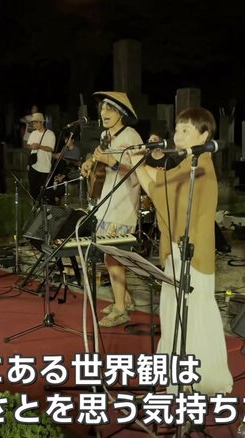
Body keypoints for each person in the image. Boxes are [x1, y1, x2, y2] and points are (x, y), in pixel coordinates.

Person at [128, 107, 233, 396]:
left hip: (192, 256)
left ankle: (197, 378)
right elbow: (161, 183)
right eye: (177, 129)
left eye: (186, 130)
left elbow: (159, 191)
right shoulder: (189, 163)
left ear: (204, 135)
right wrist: (140, 161)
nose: (178, 135)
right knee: (175, 312)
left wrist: (139, 163)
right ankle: (179, 377)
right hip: (179, 252)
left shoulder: (199, 167)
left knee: (192, 315)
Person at [79, 91, 142, 327]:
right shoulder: (106, 135)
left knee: (114, 257)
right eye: (103, 108)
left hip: (124, 203)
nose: (104, 113)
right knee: (109, 256)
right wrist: (90, 163)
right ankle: (125, 299)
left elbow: (138, 173)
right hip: (107, 201)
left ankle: (120, 310)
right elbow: (100, 159)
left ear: (122, 113)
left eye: (110, 109)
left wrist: (112, 163)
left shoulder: (131, 136)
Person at [25, 112, 56, 200]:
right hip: (34, 165)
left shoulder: (50, 134)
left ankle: (45, 206)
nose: (34, 124)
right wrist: (32, 146)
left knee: (45, 191)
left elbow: (51, 149)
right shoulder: (33, 133)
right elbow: (28, 145)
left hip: (45, 167)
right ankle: (35, 205)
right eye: (33, 122)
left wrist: (39, 146)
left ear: (42, 122)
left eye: (36, 122)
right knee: (33, 189)